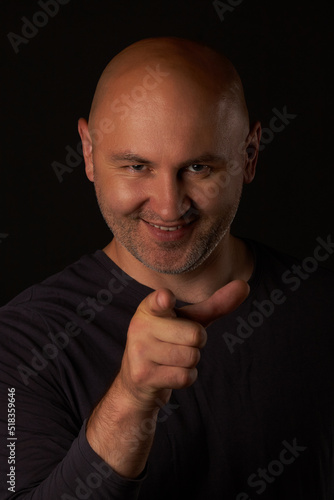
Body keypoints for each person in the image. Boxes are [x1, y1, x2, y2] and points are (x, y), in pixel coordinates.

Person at [0, 36, 333, 500]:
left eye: (198, 167)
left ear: (250, 154)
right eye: (136, 166)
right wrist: (130, 404)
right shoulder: (19, 345)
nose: (169, 206)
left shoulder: (323, 308)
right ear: (89, 152)